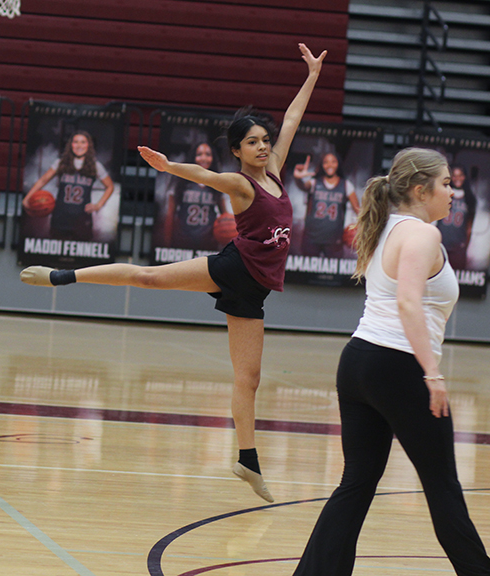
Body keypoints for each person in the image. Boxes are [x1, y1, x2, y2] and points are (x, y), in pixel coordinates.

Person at [21, 43, 326, 504]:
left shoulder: (277, 169)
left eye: (265, 140)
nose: (264, 146)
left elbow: (292, 119)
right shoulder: (240, 183)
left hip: (254, 292)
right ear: (238, 151)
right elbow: (203, 176)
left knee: (249, 378)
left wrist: (313, 76)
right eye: (253, 142)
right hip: (235, 266)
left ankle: (248, 459)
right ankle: (65, 276)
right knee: (149, 278)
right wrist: (167, 166)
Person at [291, 147, 490, 576]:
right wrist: (432, 374)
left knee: (357, 482)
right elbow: (407, 303)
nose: (452, 192)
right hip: (399, 367)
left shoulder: (387, 226)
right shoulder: (423, 235)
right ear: (421, 190)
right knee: (442, 487)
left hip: (358, 363)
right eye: (445, 184)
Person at [22, 130, 115, 240]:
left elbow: (110, 186)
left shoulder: (95, 165)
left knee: (82, 254)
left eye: (83, 142)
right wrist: (27, 198)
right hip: (60, 217)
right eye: (76, 142)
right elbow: (43, 180)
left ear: (88, 145)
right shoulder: (61, 162)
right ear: (71, 145)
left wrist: (99, 205)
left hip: (82, 219)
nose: (79, 145)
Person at [162, 141, 229, 251]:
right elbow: (170, 215)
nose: (203, 158)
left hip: (207, 242)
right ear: (193, 157)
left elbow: (225, 216)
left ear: (213, 159)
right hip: (182, 241)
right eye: (199, 154)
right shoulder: (180, 181)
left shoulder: (217, 182)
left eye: (208, 154)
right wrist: (166, 245)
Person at [293, 151, 360, 257]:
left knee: (334, 272)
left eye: (333, 162)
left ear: (338, 164)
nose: (329, 165)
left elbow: (358, 210)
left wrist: (365, 229)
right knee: (307, 270)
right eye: (326, 162)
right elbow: (303, 186)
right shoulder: (314, 182)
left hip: (334, 240)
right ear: (322, 165)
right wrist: (297, 178)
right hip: (311, 237)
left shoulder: (346, 185)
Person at [437, 165, 476, 270]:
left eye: (460, 175)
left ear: (465, 177)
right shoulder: (444, 194)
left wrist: (464, 247)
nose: (457, 178)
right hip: (440, 243)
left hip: (458, 246)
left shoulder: (469, 199)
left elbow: (469, 227)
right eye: (454, 176)